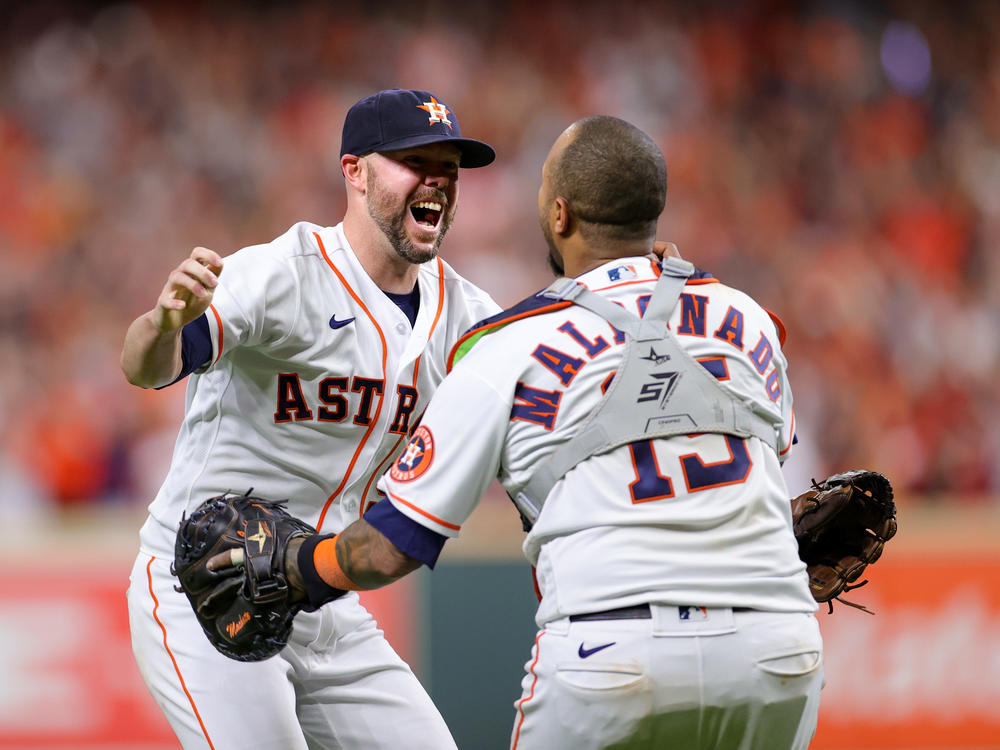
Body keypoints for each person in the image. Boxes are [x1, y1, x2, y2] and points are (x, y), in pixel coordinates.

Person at [278, 116, 824, 750]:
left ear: (559, 213)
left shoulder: (506, 345)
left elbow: (387, 547)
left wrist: (296, 565)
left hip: (610, 654)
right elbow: (767, 459)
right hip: (777, 648)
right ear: (654, 213)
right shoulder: (749, 317)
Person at [121, 88, 503, 750]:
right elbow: (146, 365)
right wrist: (163, 321)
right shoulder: (283, 273)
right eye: (415, 161)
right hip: (205, 584)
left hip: (323, 599)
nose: (437, 178)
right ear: (354, 171)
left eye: (449, 165)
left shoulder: (468, 315)